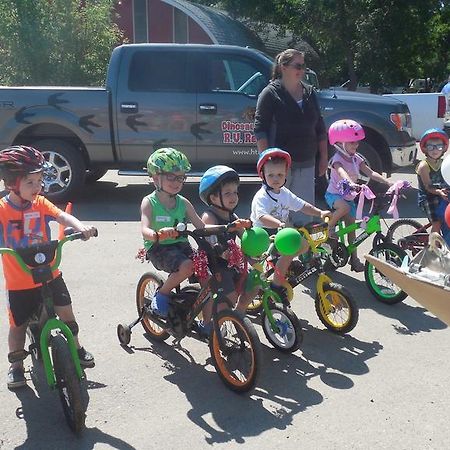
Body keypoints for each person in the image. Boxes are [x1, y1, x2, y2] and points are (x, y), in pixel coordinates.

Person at [0, 146, 96, 390]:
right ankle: (16, 366)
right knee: (18, 326)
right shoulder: (2, 209)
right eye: (30, 182)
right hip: (19, 282)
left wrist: (81, 226)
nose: (38, 187)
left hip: (50, 273)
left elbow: (62, 217)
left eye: (40, 181)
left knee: (67, 314)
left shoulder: (40, 203)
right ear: (12, 183)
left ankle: (76, 346)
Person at [254, 48, 328, 224]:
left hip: (307, 161)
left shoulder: (309, 92)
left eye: (303, 66)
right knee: (280, 218)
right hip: (279, 166)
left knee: (305, 219)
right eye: (298, 66)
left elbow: (320, 126)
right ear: (283, 67)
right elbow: (260, 128)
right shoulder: (270, 93)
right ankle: (280, 252)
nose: (302, 70)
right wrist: (266, 161)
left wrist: (324, 157)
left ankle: (305, 252)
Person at [250, 148, 331, 302]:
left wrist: (320, 213)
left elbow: (302, 205)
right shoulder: (261, 196)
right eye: (271, 175)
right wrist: (279, 223)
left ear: (286, 174)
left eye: (280, 175)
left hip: (281, 231)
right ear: (263, 175)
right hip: (264, 234)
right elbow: (262, 216)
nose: (275, 179)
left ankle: (286, 266)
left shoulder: (284, 193)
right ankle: (276, 286)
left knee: (305, 244)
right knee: (286, 255)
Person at [141, 148, 205, 319]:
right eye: (171, 177)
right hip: (158, 248)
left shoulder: (183, 202)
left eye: (181, 178)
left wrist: (224, 229)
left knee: (206, 273)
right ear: (155, 178)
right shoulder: (149, 202)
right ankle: (162, 293)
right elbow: (145, 229)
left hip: (181, 245)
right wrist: (157, 234)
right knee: (186, 266)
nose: (177, 182)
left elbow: (201, 226)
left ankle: (208, 323)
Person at [325, 119, 392, 272]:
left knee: (352, 231)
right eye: (351, 143)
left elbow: (370, 172)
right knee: (344, 207)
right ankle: (330, 227)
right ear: (339, 143)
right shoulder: (337, 160)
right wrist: (351, 183)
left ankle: (354, 260)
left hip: (349, 198)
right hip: (334, 196)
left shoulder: (356, 158)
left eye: (356, 142)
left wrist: (387, 182)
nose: (355, 145)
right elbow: (342, 173)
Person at [199, 165, 253, 319]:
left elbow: (244, 236)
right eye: (227, 193)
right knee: (228, 296)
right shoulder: (209, 215)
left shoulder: (232, 215)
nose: (233, 197)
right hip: (212, 263)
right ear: (214, 198)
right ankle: (211, 323)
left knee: (253, 283)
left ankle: (239, 312)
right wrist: (227, 229)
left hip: (228, 262)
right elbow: (207, 231)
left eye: (235, 192)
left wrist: (255, 243)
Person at [416, 128, 449, 236]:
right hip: (428, 197)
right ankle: (432, 248)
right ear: (425, 149)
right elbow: (428, 187)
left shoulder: (444, 163)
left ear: (444, 148)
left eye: (439, 146)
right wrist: (439, 192)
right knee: (437, 223)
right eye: (431, 147)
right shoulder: (424, 166)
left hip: (442, 194)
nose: (435, 150)